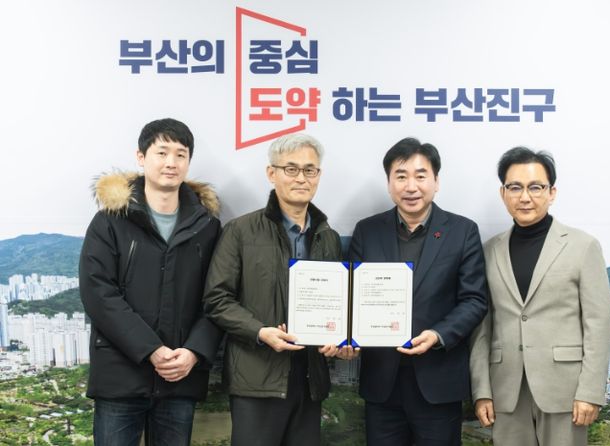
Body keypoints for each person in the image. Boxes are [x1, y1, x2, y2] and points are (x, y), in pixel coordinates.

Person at [79, 118, 222, 445]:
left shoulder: (207, 226)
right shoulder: (110, 221)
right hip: (120, 376)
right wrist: (151, 350)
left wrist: (194, 352)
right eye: (162, 152)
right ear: (141, 157)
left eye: (181, 154)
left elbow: (217, 297)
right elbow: (98, 293)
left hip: (180, 376)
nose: (171, 162)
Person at [202, 133, 342, 446]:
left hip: (309, 380)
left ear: (319, 175)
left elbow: (336, 304)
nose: (301, 178)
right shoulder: (240, 231)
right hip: (257, 378)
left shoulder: (328, 237)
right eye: (291, 169)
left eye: (310, 170)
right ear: (271, 173)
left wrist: (338, 336)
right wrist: (260, 332)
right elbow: (216, 299)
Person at [469, 146, 610, 446]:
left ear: (552, 192)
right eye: (515, 187)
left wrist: (590, 391)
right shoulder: (488, 250)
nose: (525, 197)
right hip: (505, 390)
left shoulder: (583, 246)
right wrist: (482, 391)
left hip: (565, 391)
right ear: (503, 193)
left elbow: (598, 324)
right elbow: (482, 327)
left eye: (535, 187)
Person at [348, 137, 487, 446]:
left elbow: (474, 300)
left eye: (420, 176)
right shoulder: (367, 231)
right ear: (389, 183)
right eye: (401, 176)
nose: (411, 186)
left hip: (438, 381)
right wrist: (347, 337)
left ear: (436, 182)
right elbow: (352, 297)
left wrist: (438, 334)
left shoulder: (462, 231)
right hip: (382, 383)